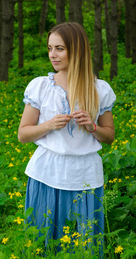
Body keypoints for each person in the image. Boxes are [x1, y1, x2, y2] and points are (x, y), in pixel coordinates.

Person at [18, 22, 116, 254]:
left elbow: (109, 136)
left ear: (77, 50)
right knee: (42, 240)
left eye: (60, 48)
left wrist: (92, 127)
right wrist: (49, 125)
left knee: (82, 242)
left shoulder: (99, 90)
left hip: (84, 174)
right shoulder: (41, 86)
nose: (53, 54)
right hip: (46, 172)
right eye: (50, 48)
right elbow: (23, 134)